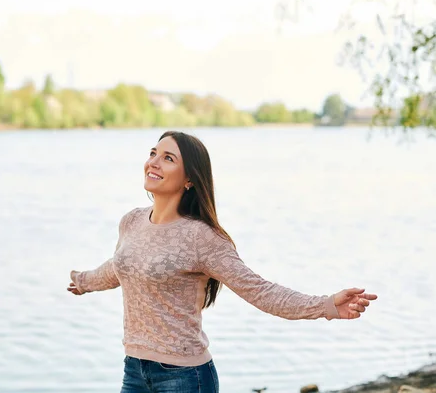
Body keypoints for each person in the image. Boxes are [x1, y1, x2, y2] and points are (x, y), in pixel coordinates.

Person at [67, 131, 378, 393]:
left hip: (183, 377)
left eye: (168, 158)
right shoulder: (132, 222)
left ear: (189, 178)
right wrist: (84, 282)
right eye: (153, 153)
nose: (154, 162)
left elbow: (259, 290)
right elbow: (121, 266)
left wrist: (325, 306)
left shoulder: (202, 238)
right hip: (134, 371)